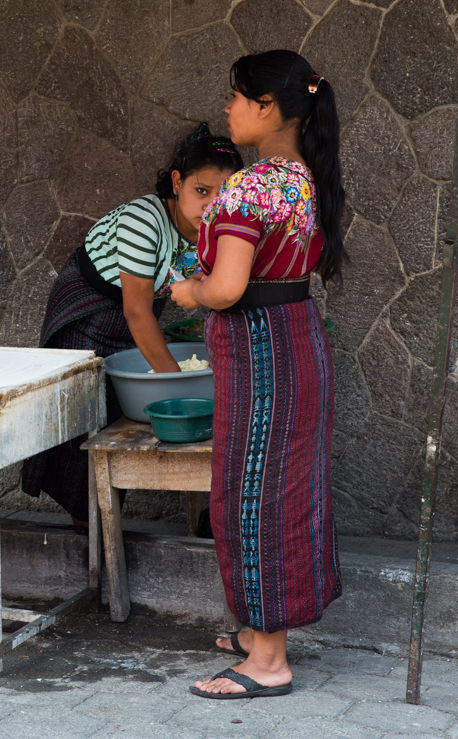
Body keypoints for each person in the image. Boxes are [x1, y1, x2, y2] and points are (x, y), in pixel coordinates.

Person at [170, 51, 345, 698]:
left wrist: (188, 294)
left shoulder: (250, 186)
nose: (228, 107)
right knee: (285, 487)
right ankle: (259, 633)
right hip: (296, 340)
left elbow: (226, 288)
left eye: (238, 97)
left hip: (264, 351)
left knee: (257, 493)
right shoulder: (303, 177)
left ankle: (269, 659)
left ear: (268, 107)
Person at [21, 125, 244, 524]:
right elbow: (136, 312)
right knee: (86, 415)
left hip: (136, 314)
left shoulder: (220, 230)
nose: (211, 205)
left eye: (222, 194)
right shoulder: (144, 219)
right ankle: (89, 532)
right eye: (201, 191)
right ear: (177, 183)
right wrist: (178, 385)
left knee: (118, 420)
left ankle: (101, 529)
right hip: (88, 310)